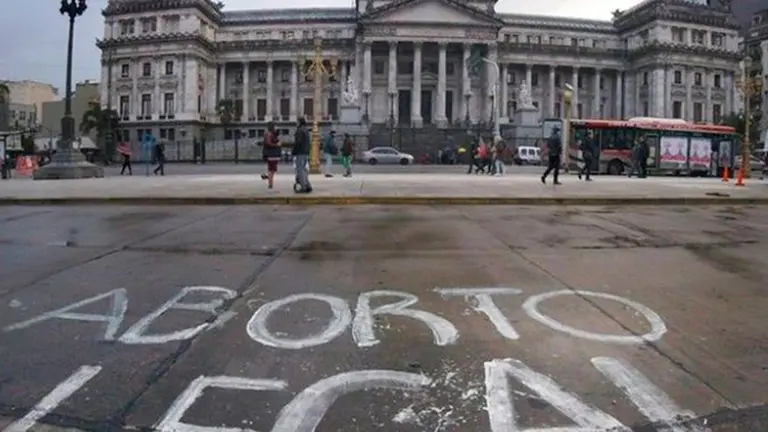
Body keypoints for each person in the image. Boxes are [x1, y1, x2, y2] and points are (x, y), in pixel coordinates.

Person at [292, 117, 312, 193]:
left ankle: (303, 187)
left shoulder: (299, 130)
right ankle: (308, 185)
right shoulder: (306, 130)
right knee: (303, 169)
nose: (296, 123)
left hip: (300, 152)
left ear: (299, 122)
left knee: (300, 170)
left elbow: (298, 142)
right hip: (305, 152)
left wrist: (294, 151)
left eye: (297, 122)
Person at [261, 121, 281, 189]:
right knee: (271, 169)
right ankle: (270, 183)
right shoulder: (269, 134)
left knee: (272, 169)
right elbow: (268, 143)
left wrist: (277, 131)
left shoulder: (272, 133)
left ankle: (268, 178)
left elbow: (276, 136)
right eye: (275, 126)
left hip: (273, 154)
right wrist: (276, 145)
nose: (276, 127)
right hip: (272, 154)